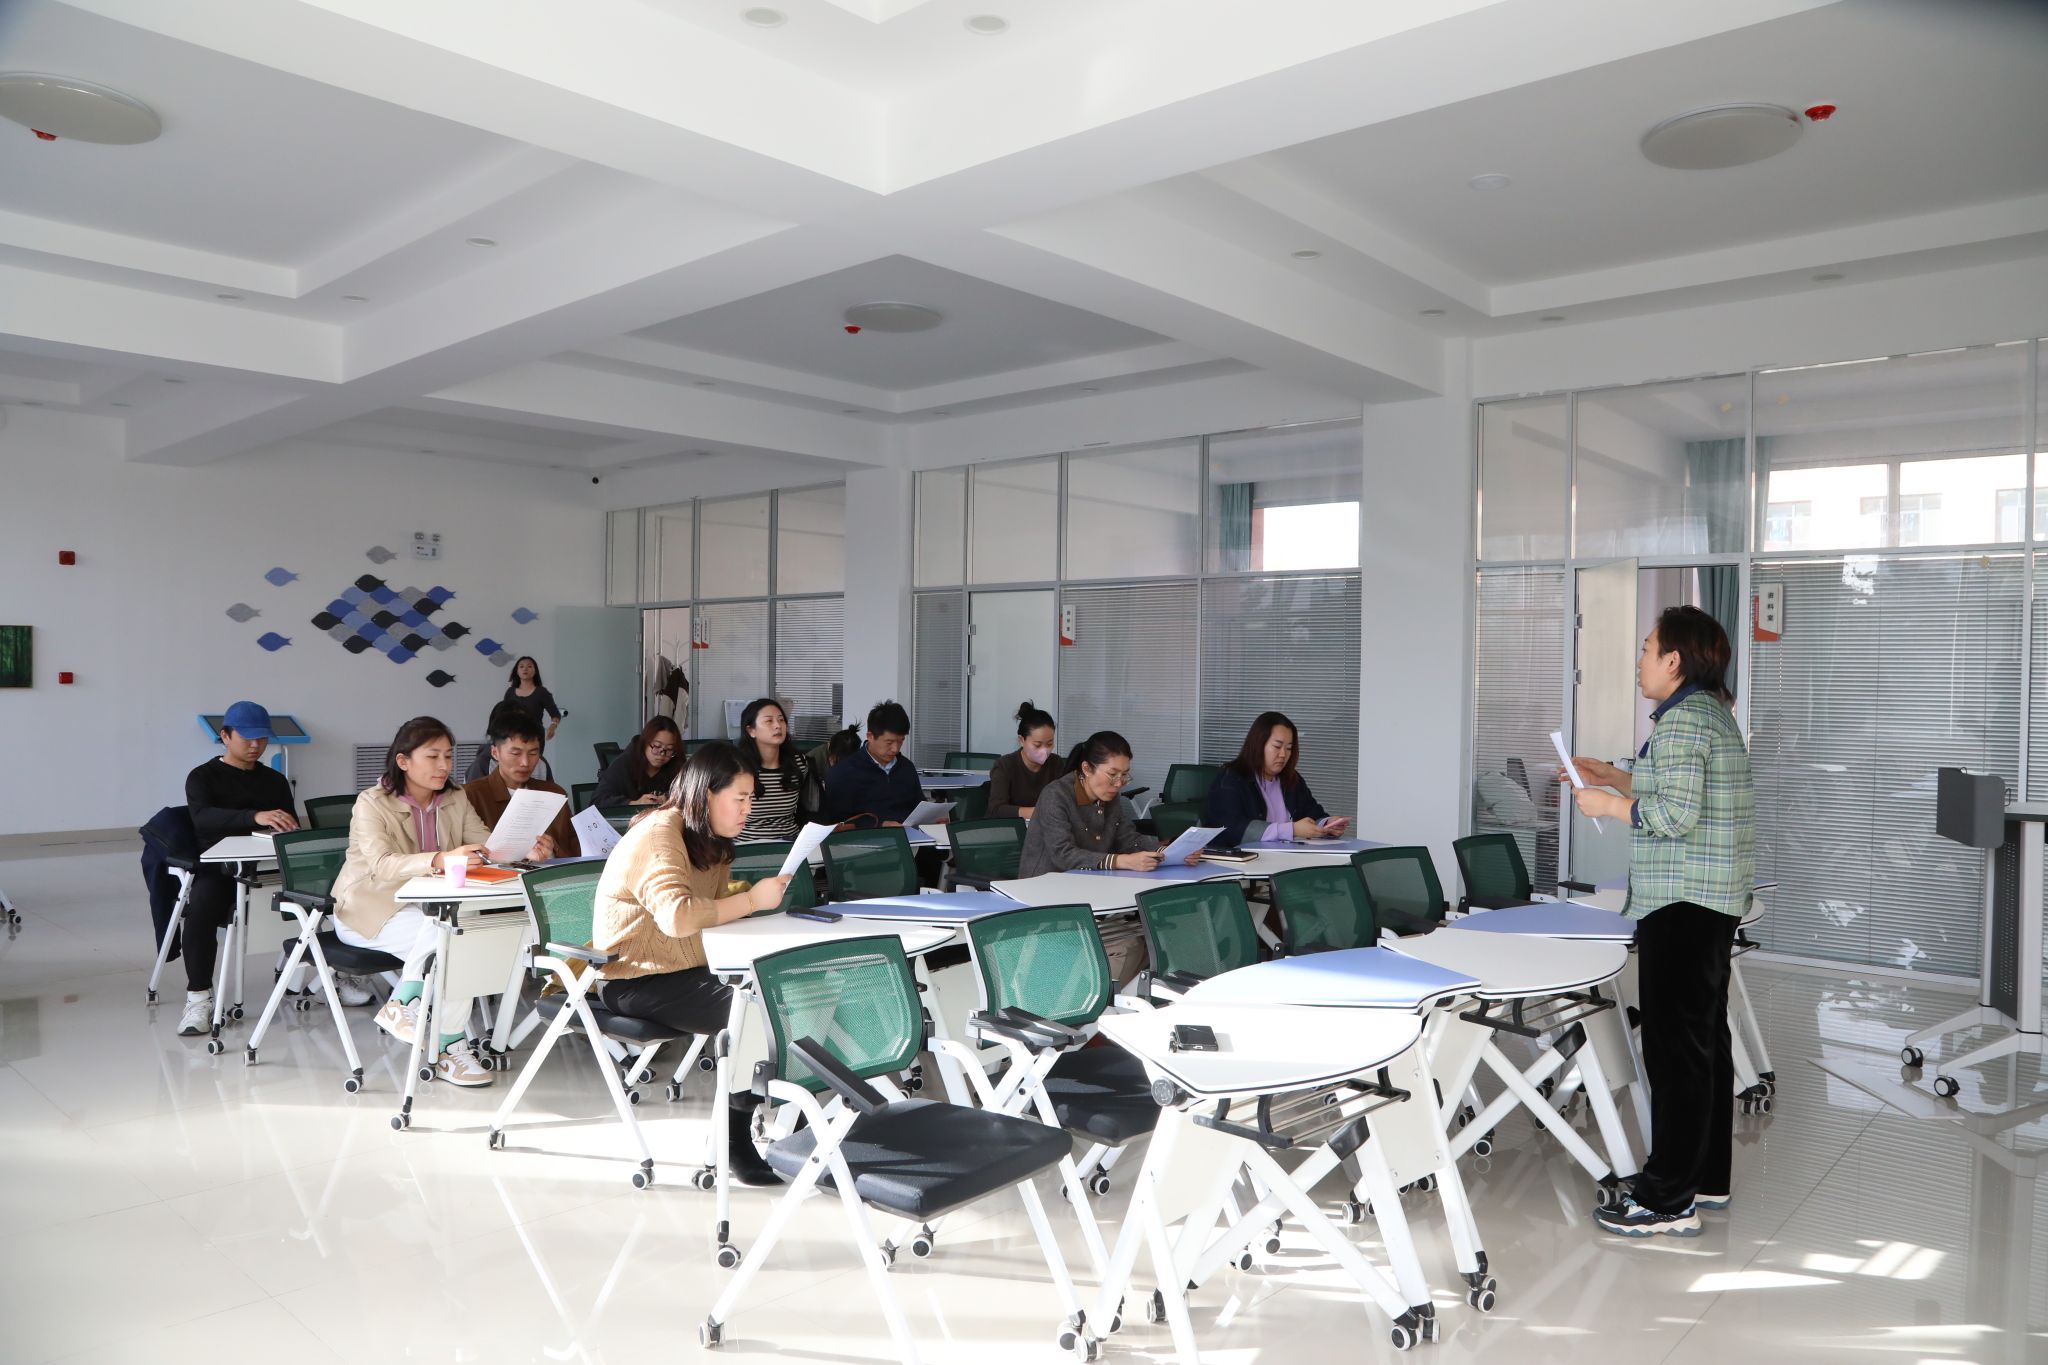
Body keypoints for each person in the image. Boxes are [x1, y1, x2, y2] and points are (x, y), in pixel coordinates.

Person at [1561, 605, 1755, 1238]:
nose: (1639, 660)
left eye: (1647, 649)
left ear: (1674, 660)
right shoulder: (1710, 714)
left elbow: (1673, 815)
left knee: (1676, 1052)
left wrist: (1606, 804)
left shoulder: (1682, 721)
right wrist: (1614, 775)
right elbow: (1680, 788)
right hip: (1709, 901)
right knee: (1705, 1044)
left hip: (1682, 904)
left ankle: (1667, 1200)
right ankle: (1707, 1178)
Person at [592, 742, 791, 1185]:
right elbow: (678, 916)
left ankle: (778, 1123)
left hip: (689, 967)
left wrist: (752, 902)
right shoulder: (658, 834)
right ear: (706, 796)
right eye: (740, 798)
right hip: (634, 977)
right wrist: (751, 900)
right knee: (756, 1014)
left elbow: (714, 909)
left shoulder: (709, 836)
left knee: (781, 998)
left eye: (751, 798)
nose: (748, 810)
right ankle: (734, 1138)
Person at [331, 716, 555, 1087]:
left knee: (458, 938)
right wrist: (439, 859)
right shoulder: (371, 803)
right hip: (370, 910)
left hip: (431, 910)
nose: (444, 765)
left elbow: (487, 847)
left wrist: (523, 851)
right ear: (403, 761)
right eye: (432, 756)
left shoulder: (454, 798)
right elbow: (382, 865)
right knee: (453, 939)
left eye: (448, 756)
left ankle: (407, 1005)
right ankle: (449, 1046)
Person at [177, 702, 347, 1036]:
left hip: (271, 866)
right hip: (221, 868)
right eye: (247, 738)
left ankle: (339, 974)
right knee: (201, 910)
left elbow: (289, 823)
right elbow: (202, 818)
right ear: (225, 736)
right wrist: (254, 816)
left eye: (262, 738)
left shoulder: (274, 781)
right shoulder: (202, 777)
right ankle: (198, 997)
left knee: (336, 895)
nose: (256, 745)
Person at [1019, 731, 1201, 877]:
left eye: (1124, 774)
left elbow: (1127, 838)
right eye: (1112, 774)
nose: (1119, 783)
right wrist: (1122, 861)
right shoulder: (1055, 795)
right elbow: (1063, 854)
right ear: (1086, 768)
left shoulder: (1109, 795)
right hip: (1045, 886)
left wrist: (1169, 852)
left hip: (1090, 881)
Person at [1203, 711, 1351, 846]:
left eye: (1289, 748)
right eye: (1277, 746)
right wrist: (1292, 829)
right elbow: (1231, 829)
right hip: (1246, 861)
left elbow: (1312, 814)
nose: (1283, 755)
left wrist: (1327, 824)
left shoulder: (1292, 779)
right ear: (1258, 744)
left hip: (1287, 857)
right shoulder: (1232, 778)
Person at [463, 703, 580, 859]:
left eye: (533, 753)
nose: (525, 762)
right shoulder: (471, 796)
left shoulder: (554, 794)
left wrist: (553, 851)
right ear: (495, 752)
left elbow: (575, 849)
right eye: (516, 753)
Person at [821, 700, 923, 829]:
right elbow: (836, 822)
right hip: (866, 839)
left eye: (900, 741)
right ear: (870, 736)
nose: (895, 749)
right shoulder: (843, 773)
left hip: (908, 837)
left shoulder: (906, 767)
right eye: (889, 742)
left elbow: (919, 806)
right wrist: (879, 825)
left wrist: (931, 818)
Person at [734, 697, 813, 844]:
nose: (777, 726)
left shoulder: (798, 763)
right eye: (769, 721)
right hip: (748, 847)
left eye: (781, 720)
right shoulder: (736, 768)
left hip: (791, 844)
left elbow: (806, 808)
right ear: (751, 730)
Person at [987, 700, 1063, 820]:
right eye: (1037, 745)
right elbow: (996, 810)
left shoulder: (1056, 763)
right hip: (1012, 828)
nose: (1044, 750)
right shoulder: (1005, 765)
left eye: (1049, 744)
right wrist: (1037, 813)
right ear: (1022, 740)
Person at [595, 717, 682, 809]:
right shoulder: (624, 764)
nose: (662, 754)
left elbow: (687, 794)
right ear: (645, 743)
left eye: (669, 749)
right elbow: (597, 801)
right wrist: (634, 803)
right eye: (657, 746)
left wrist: (668, 798)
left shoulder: (677, 764)